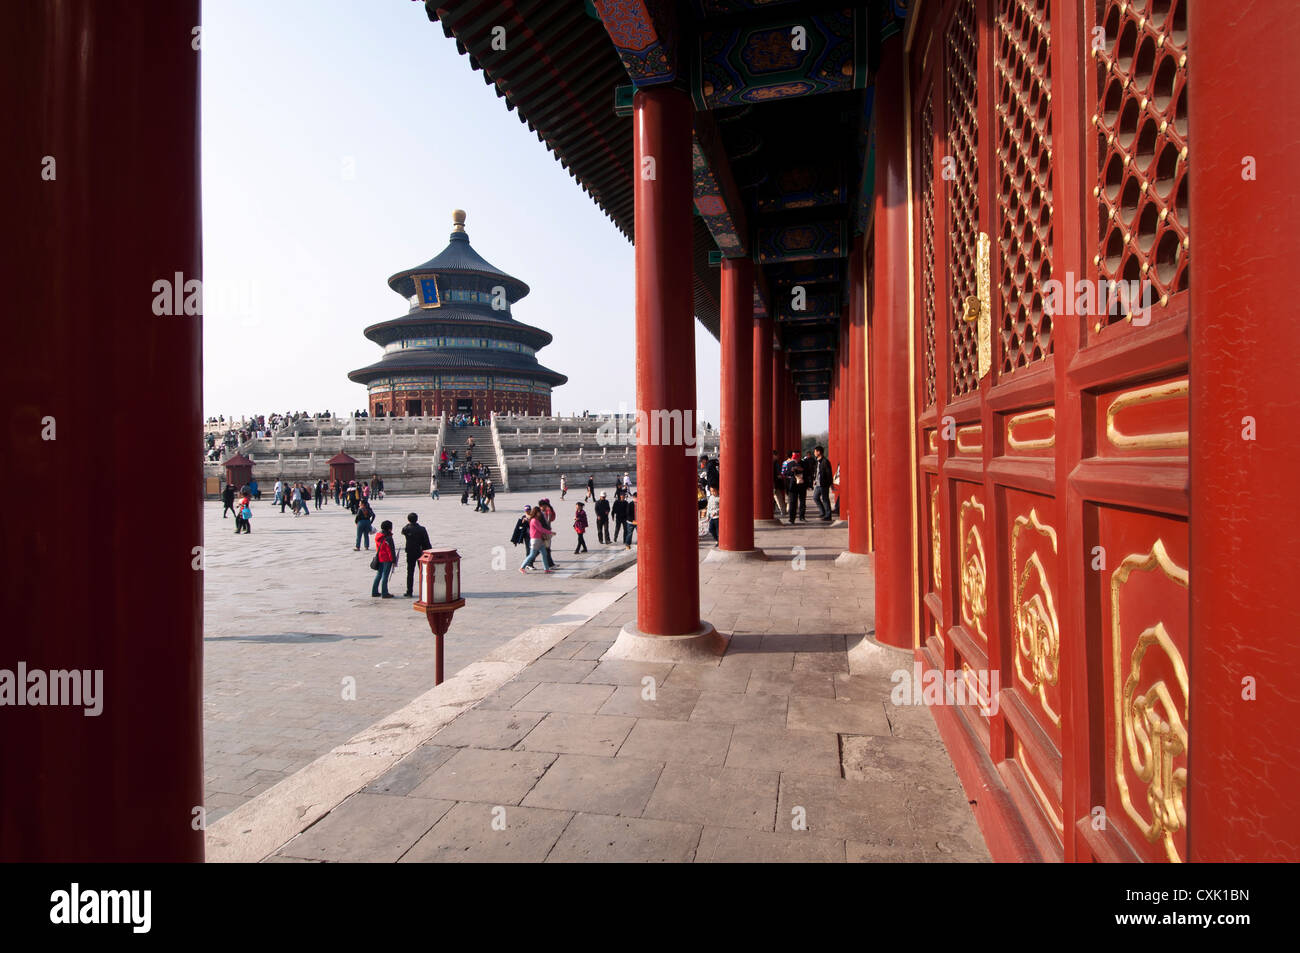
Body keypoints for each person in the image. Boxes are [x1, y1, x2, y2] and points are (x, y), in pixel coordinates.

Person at [400, 512, 432, 598]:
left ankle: (409, 591)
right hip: (420, 552)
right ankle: (425, 590)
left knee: (410, 572)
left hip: (410, 552)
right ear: (417, 519)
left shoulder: (406, 529)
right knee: (423, 572)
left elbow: (403, 531)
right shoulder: (422, 529)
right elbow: (427, 542)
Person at [519, 506, 556, 573]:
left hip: (539, 540)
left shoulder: (536, 520)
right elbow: (540, 529)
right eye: (539, 512)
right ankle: (522, 567)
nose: (540, 513)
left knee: (544, 554)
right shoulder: (534, 520)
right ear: (536, 512)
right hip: (535, 540)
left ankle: (546, 569)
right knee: (532, 555)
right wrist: (550, 532)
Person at [372, 520, 397, 598]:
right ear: (389, 528)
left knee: (379, 574)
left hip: (379, 557)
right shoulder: (388, 538)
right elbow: (390, 550)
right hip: (387, 559)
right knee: (385, 575)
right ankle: (384, 593)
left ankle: (374, 591)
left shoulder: (378, 535)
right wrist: (393, 560)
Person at [811, 445, 834, 521]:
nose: (814, 453)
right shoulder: (817, 461)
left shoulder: (825, 462)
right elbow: (816, 472)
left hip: (824, 484)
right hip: (818, 483)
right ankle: (823, 512)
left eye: (815, 451)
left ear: (819, 452)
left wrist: (830, 483)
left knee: (825, 499)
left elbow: (829, 473)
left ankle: (828, 515)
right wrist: (814, 479)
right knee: (815, 497)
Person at [781, 452, 803, 525]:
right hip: (795, 485)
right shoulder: (791, 464)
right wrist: (793, 470)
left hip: (798, 485)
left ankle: (797, 517)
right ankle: (793, 518)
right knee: (794, 501)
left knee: (797, 501)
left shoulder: (802, 463)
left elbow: (785, 473)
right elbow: (786, 473)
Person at [771, 450, 786, 519]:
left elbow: (777, 473)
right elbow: (778, 473)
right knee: (777, 497)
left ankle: (782, 510)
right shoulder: (775, 462)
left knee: (777, 497)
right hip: (775, 482)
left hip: (774, 482)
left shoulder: (774, 462)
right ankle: (781, 510)